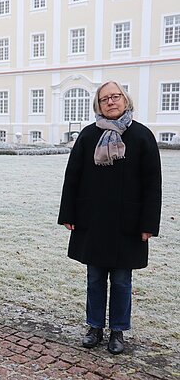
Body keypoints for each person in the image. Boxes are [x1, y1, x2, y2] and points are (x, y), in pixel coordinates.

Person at [58, 80, 161, 355]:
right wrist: (68, 213)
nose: (111, 102)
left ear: (125, 100)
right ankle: (94, 327)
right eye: (105, 99)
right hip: (93, 219)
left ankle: (117, 330)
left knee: (121, 280)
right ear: (98, 105)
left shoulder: (142, 136)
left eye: (116, 97)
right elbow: (73, 176)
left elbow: (153, 183)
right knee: (94, 278)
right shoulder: (88, 135)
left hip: (128, 223)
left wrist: (149, 224)